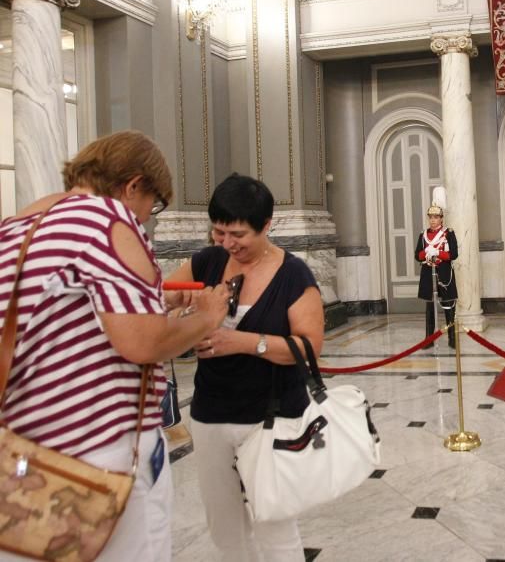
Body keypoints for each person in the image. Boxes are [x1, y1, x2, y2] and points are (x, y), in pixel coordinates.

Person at [0, 130, 229, 561]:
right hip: (100, 450)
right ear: (133, 185)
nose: (147, 218)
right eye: (153, 205)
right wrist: (207, 317)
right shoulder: (107, 219)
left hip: (29, 449)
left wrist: (159, 297)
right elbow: (142, 344)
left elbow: (65, 309)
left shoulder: (21, 225)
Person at [167, 173, 325, 562]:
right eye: (219, 232)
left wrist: (239, 342)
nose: (227, 243)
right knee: (224, 525)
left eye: (238, 234)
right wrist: (185, 311)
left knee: (275, 524)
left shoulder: (293, 275)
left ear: (266, 225)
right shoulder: (207, 261)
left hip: (270, 416)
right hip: (211, 412)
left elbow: (308, 350)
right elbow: (163, 300)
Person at [415, 202, 458, 349]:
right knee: (430, 309)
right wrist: (427, 252)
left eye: (436, 217)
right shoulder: (423, 235)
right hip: (428, 273)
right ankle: (429, 339)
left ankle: (452, 338)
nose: (433, 220)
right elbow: (417, 255)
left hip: (444, 274)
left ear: (441, 219)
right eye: (430, 217)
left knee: (449, 306)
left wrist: (438, 252)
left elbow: (454, 254)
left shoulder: (449, 233)